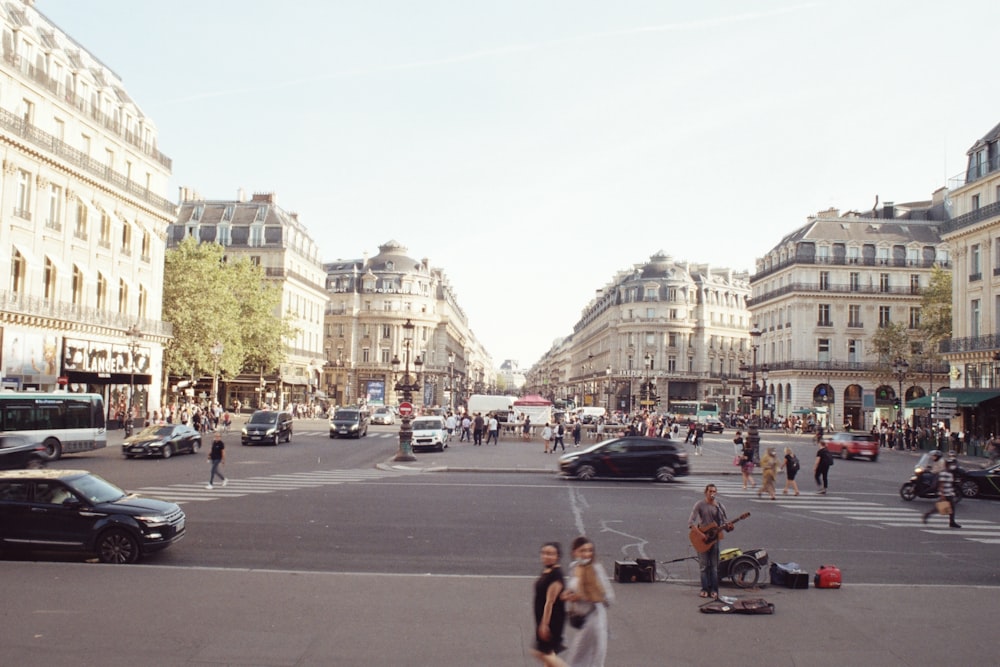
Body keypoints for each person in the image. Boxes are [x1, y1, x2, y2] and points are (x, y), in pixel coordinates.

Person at [562, 536, 614, 667]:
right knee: (579, 658)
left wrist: (584, 596)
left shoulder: (595, 569)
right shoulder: (575, 567)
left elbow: (609, 597)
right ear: (574, 552)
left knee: (590, 659)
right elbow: (573, 587)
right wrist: (569, 595)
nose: (587, 554)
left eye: (590, 550)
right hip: (583, 620)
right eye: (582, 550)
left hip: (595, 619)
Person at [688, 484, 734, 599]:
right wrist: (701, 534)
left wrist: (729, 527)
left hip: (715, 540)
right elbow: (690, 523)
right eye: (710, 491)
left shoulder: (720, 507)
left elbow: (725, 524)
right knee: (704, 566)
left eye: (714, 491)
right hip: (702, 538)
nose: (712, 493)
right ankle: (704, 588)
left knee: (714, 566)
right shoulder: (700, 504)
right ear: (706, 492)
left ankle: (714, 590)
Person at [532, 542, 568, 667]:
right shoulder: (547, 570)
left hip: (552, 620)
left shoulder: (555, 576)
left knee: (543, 653)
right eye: (544, 553)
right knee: (548, 658)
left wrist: (544, 624)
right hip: (544, 618)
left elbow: (550, 602)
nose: (546, 556)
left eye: (551, 554)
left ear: (557, 556)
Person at [922, 456, 961, 528]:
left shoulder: (950, 473)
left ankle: (952, 522)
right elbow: (941, 484)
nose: (953, 466)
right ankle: (927, 515)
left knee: (951, 508)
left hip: (949, 493)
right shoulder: (944, 473)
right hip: (945, 494)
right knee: (939, 508)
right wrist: (942, 495)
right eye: (951, 464)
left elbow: (950, 484)